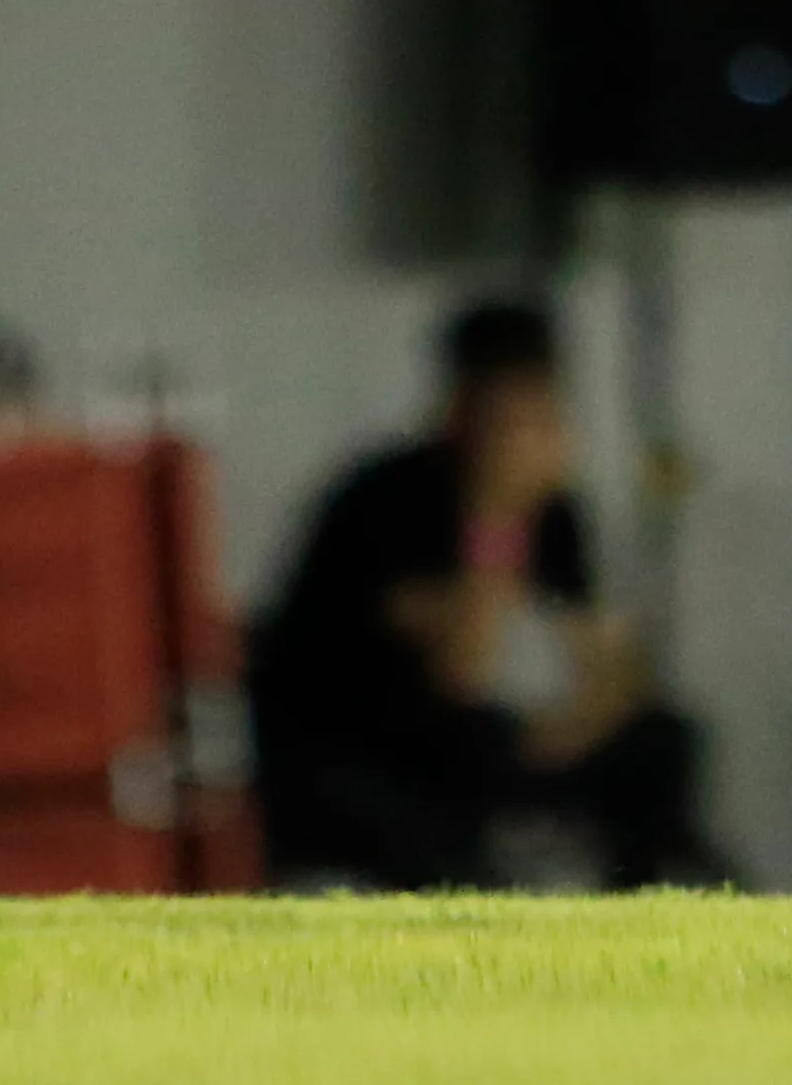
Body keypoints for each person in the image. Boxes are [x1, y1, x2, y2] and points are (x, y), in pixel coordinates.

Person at [251, 300, 728, 889]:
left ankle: (636, 911)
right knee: (472, 741)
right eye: (509, 421)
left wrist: (573, 726)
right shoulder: (387, 499)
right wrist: (494, 507)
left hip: (510, 731)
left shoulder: (557, 516)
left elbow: (601, 653)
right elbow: (458, 672)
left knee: (663, 741)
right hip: (366, 739)